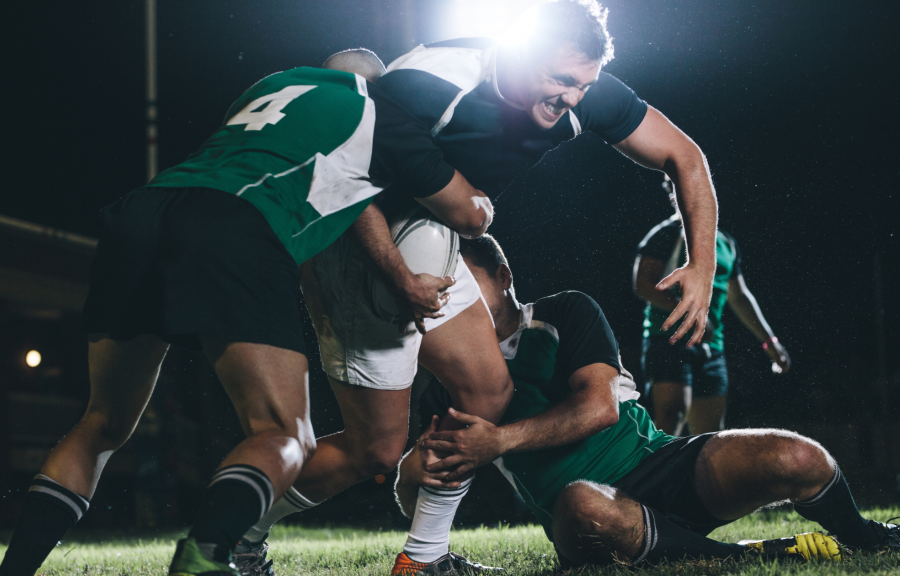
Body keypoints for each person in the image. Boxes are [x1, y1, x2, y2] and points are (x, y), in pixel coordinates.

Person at [237, 1, 722, 573]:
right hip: (358, 240)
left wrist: (702, 266)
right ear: (518, 52)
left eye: (583, 84)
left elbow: (684, 156)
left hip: (431, 233)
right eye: (561, 79)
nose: (572, 97)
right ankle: (233, 535)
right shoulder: (430, 83)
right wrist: (396, 272)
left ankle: (423, 560)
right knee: (377, 448)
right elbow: (343, 178)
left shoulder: (585, 94)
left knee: (488, 395)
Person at [0, 51, 491, 576]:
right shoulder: (381, 116)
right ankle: (205, 556)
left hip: (142, 213)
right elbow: (466, 213)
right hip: (238, 224)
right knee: (285, 435)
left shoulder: (272, 85)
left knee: (102, 423)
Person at [395, 234, 899, 568]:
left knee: (799, 456)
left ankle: (868, 535)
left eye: (464, 283)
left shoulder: (563, 311)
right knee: (582, 502)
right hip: (587, 516)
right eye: (446, 288)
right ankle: (737, 558)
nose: (454, 299)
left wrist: (498, 440)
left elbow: (600, 408)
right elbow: (423, 479)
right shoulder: (447, 378)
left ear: (504, 276)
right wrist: (409, 476)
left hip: (661, 464)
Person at [635, 175, 791, 435]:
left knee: (709, 438)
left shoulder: (725, 243)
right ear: (672, 195)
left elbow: (740, 297)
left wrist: (769, 341)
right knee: (670, 422)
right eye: (680, 189)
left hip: (711, 350)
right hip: (669, 343)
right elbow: (643, 284)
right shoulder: (665, 235)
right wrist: (691, 311)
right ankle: (661, 476)